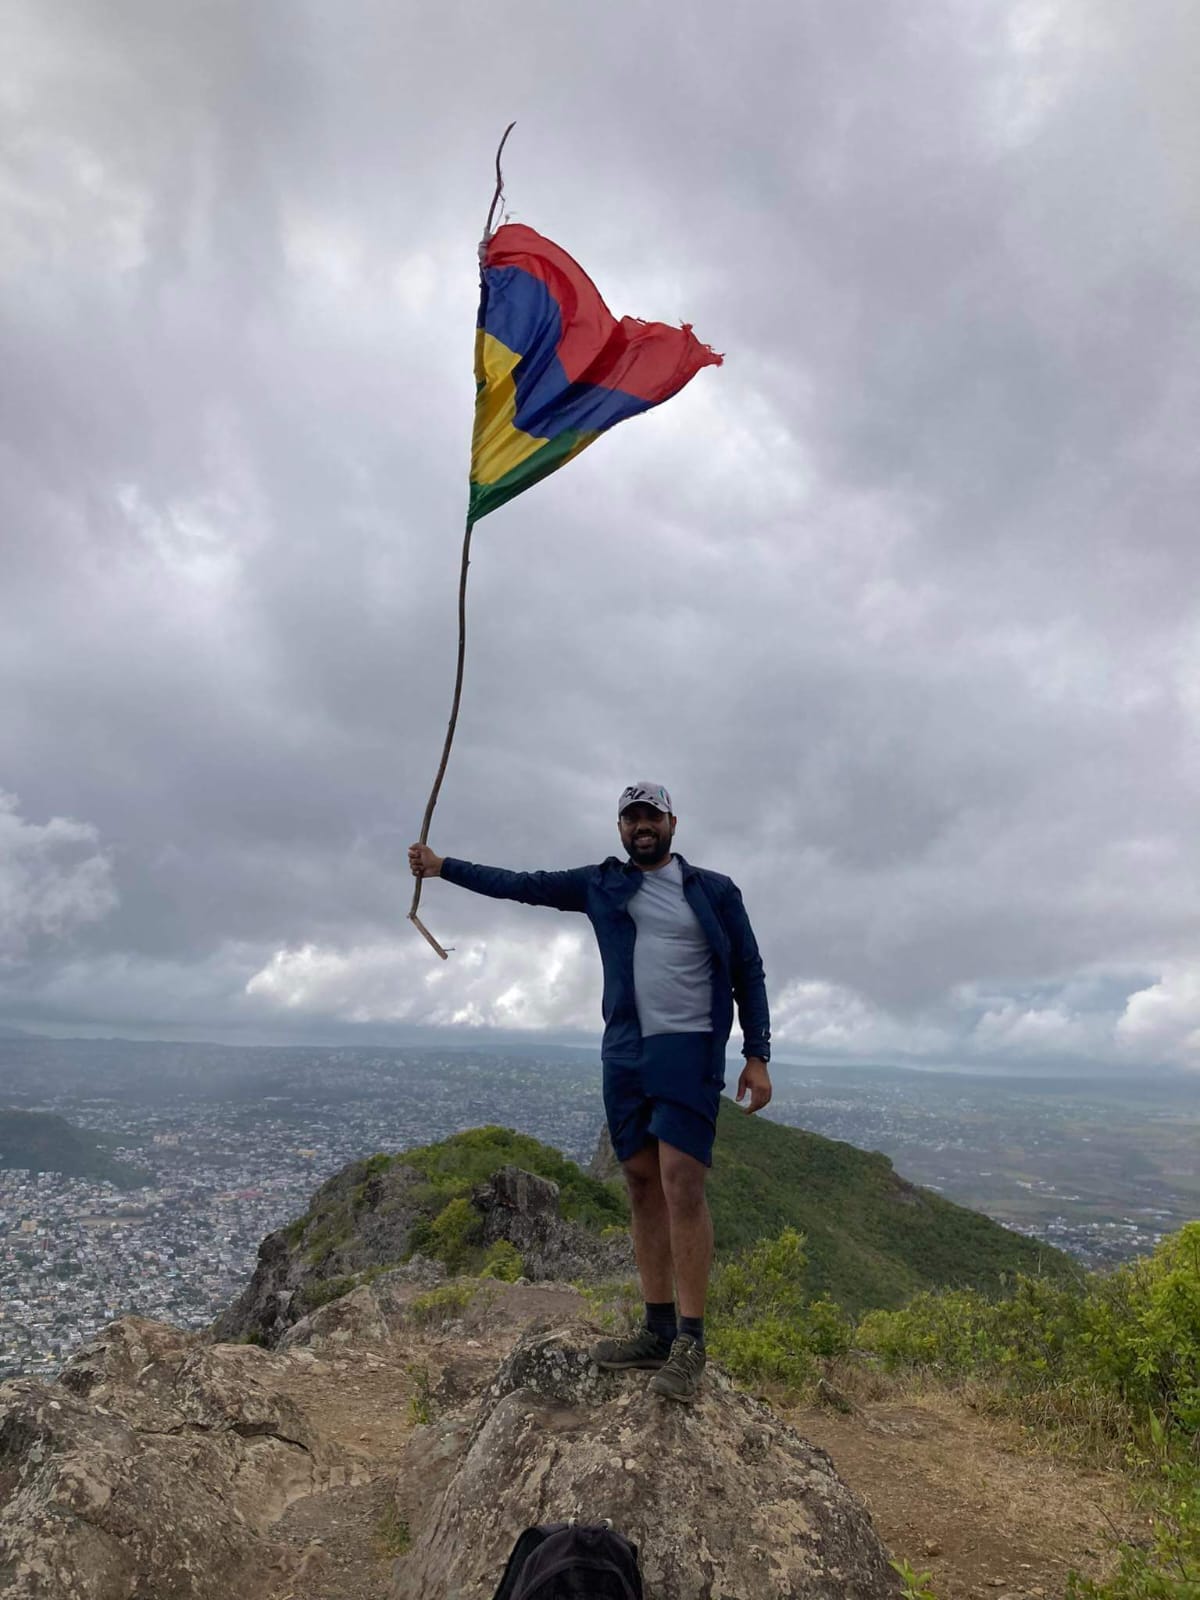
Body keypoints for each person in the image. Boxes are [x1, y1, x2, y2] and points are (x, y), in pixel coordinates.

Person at [408, 781, 771, 1403]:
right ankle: (656, 1329)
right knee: (640, 1182)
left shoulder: (713, 891)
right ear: (620, 828)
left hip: (688, 1049)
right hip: (625, 1050)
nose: (642, 826)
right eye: (631, 818)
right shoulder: (601, 884)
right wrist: (444, 868)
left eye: (651, 816)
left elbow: (748, 970)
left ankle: (690, 1341)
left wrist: (756, 1053)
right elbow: (522, 884)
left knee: (682, 1183)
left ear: (673, 823)